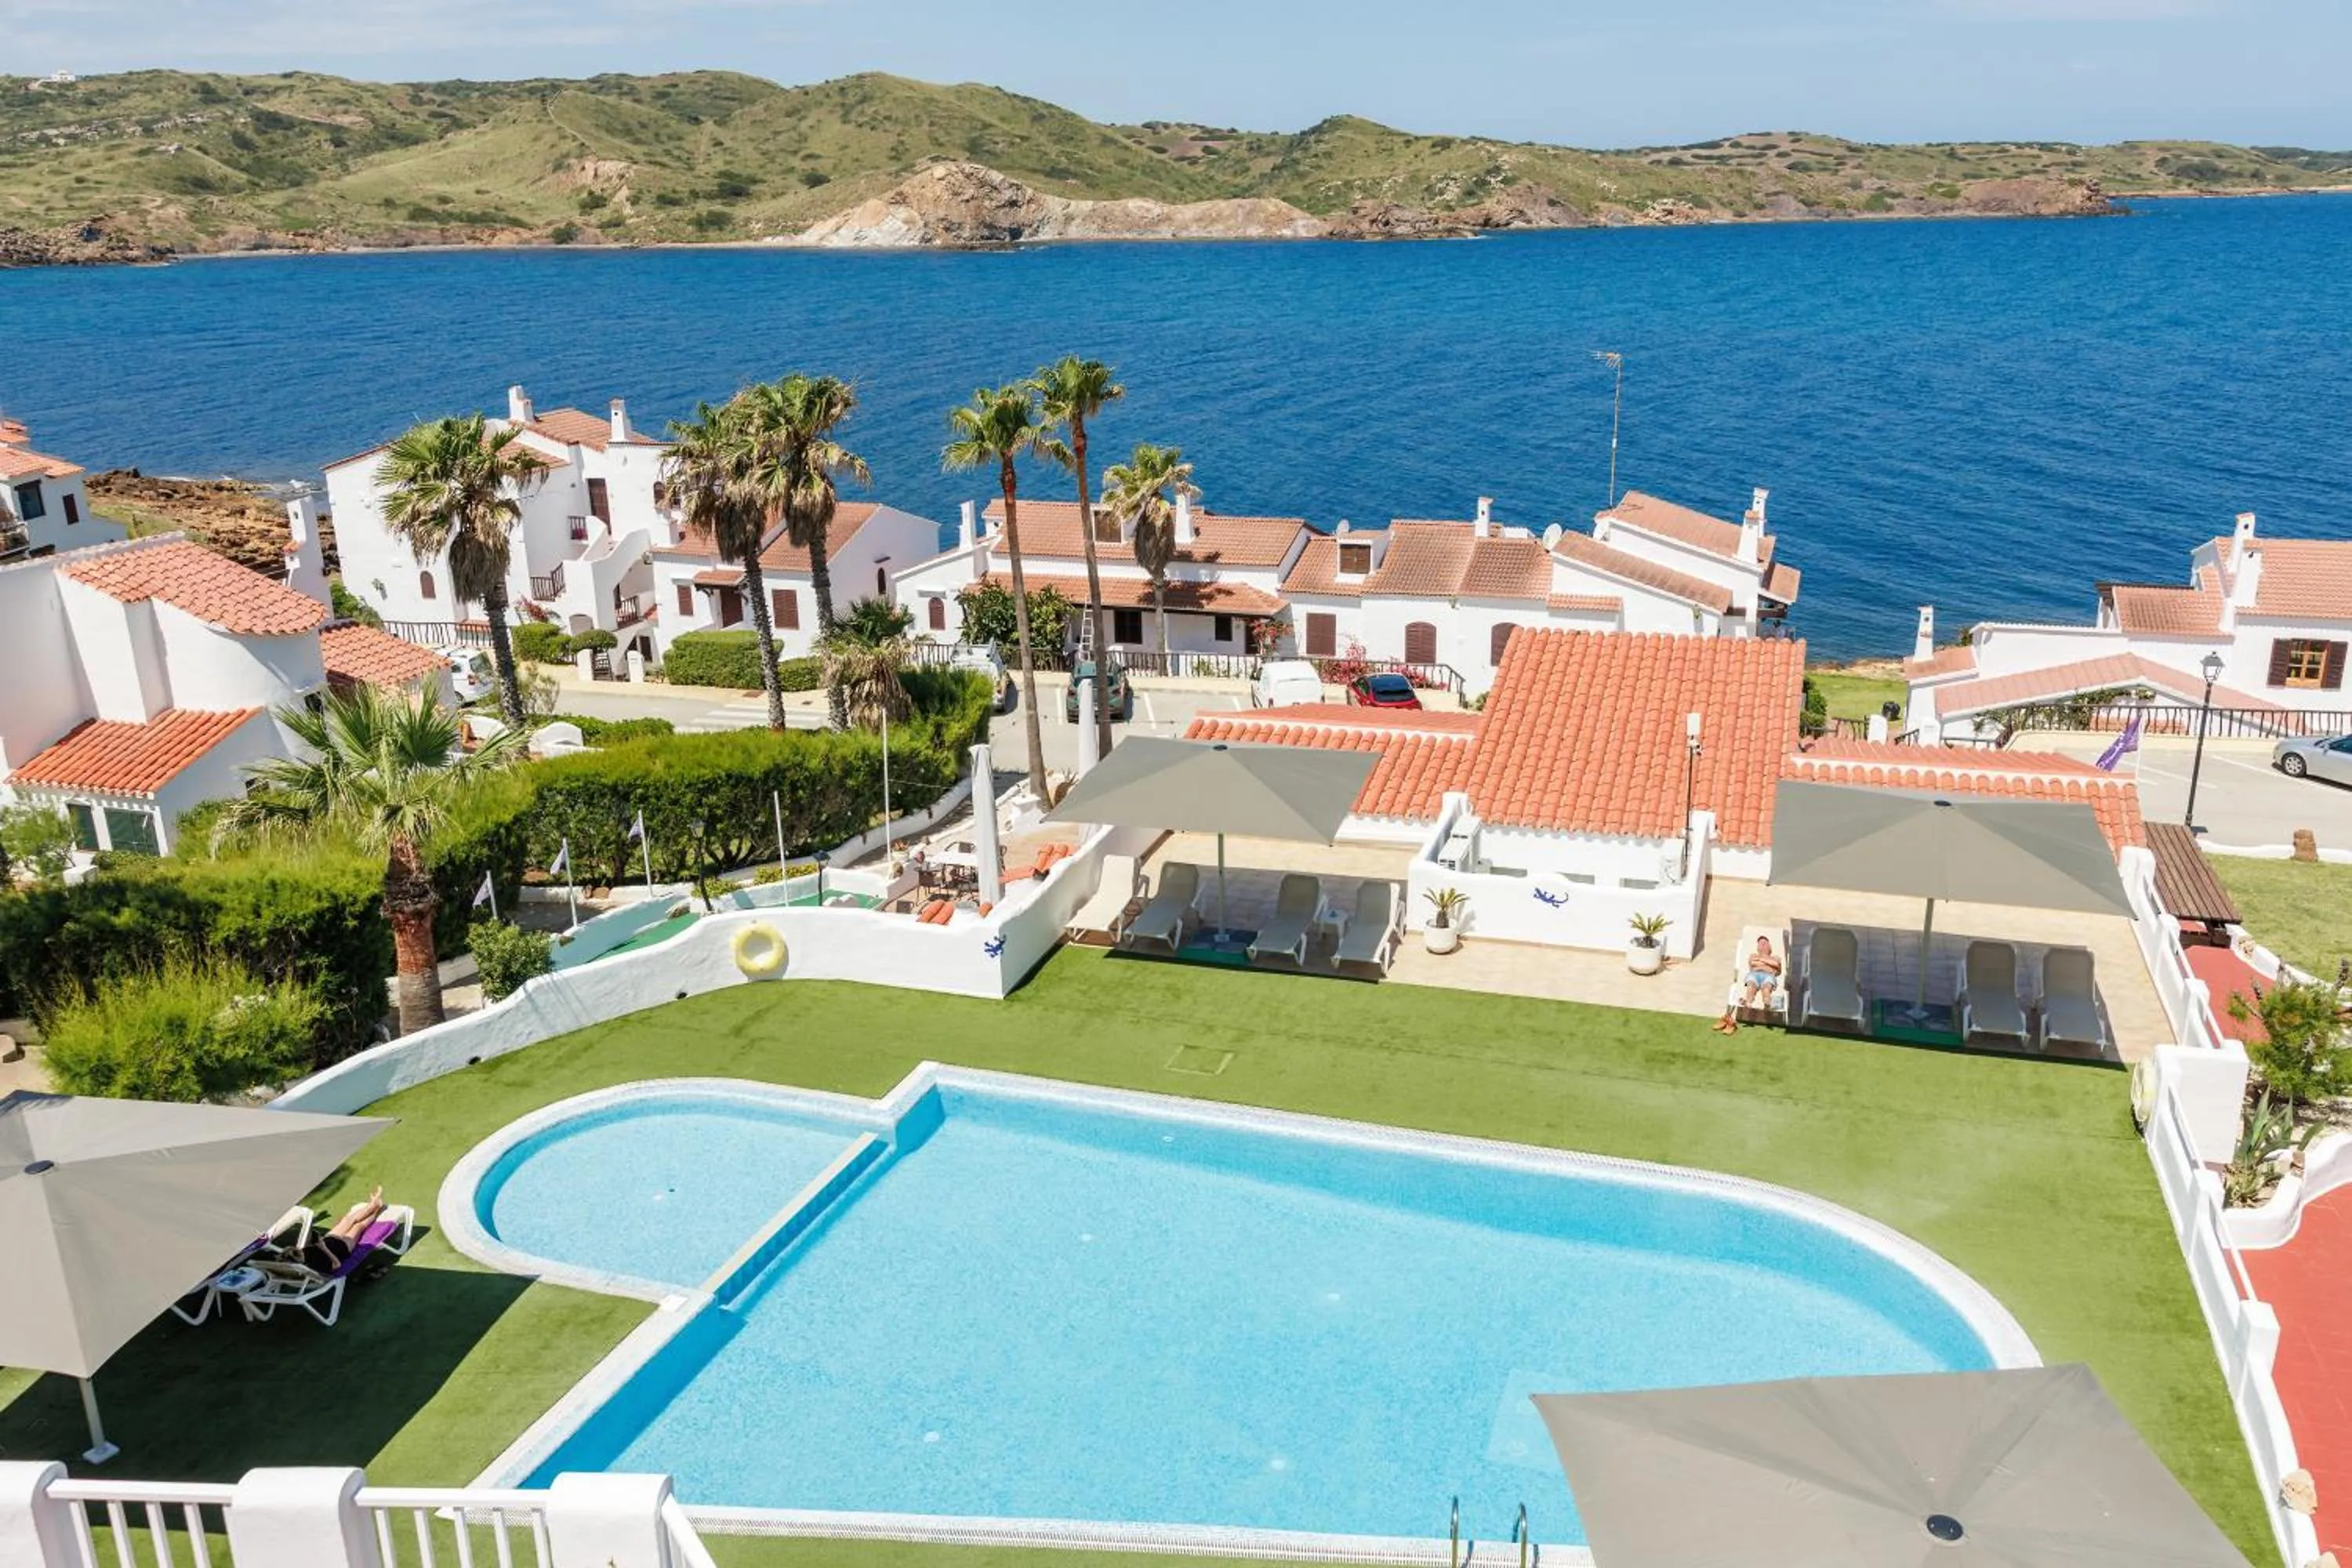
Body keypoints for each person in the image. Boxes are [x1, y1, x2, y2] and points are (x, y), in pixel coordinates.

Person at [297, 1187, 387, 1275]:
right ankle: (378, 1209)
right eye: (300, 1253)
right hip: (342, 1248)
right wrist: (324, 1248)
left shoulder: (303, 1252)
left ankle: (372, 1205)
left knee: (347, 1220)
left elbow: (311, 1247)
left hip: (329, 1239)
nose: (301, 1251)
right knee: (358, 1226)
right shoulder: (314, 1266)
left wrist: (316, 1241)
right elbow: (337, 1265)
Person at [1714, 936, 1784, 1035]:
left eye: (1765, 943)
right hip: (1755, 974)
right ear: (1757, 947)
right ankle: (1748, 1004)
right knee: (1751, 986)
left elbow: (1776, 964)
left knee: (1766, 988)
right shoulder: (1753, 955)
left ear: (1770, 946)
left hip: (1769, 976)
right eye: (1760, 943)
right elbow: (1753, 963)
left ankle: (1767, 1005)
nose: (1762, 945)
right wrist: (1768, 964)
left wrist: (1762, 960)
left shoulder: (1776, 957)